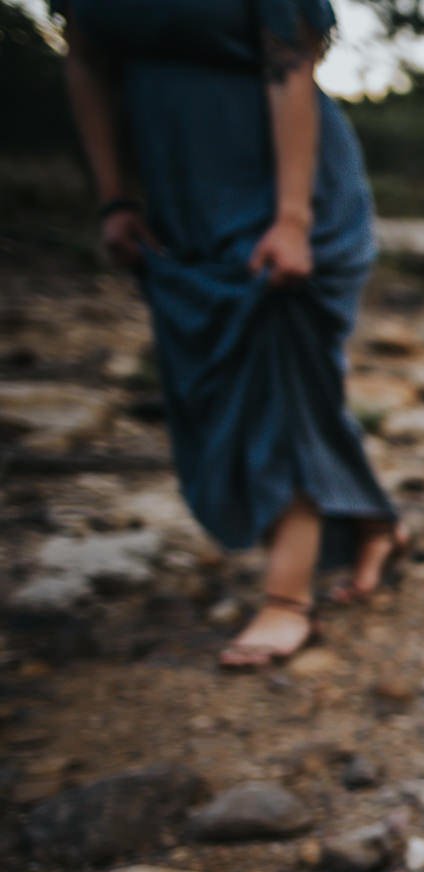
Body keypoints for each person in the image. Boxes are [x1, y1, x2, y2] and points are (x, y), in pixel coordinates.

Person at [59, 0, 405, 669]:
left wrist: (293, 219)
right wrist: (114, 196)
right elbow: (85, 61)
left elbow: (292, 67)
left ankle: (287, 594)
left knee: (283, 373)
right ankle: (375, 522)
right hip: (179, 198)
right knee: (224, 380)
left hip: (286, 187)